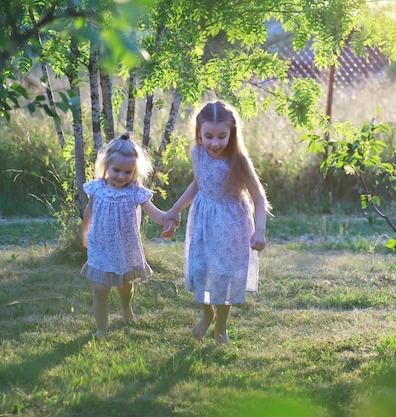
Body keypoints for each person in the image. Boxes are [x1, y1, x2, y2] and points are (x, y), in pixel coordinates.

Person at [163, 100, 272, 345]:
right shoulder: (197, 153)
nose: (214, 142)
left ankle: (220, 327)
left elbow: (258, 197)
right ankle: (207, 314)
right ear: (199, 133)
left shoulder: (238, 161)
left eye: (221, 136)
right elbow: (198, 184)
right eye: (208, 136)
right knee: (200, 269)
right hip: (203, 221)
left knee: (223, 276)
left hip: (231, 224)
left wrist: (260, 231)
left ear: (232, 133)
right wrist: (175, 209)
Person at [81, 132, 173, 338]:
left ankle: (125, 307)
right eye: (116, 170)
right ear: (106, 166)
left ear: (135, 172)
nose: (121, 176)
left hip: (125, 247)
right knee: (100, 288)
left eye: (127, 172)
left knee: (124, 285)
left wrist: (167, 217)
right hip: (101, 245)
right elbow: (89, 210)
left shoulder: (135, 191)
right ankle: (101, 328)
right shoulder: (97, 188)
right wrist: (84, 229)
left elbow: (154, 212)